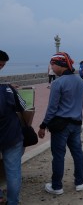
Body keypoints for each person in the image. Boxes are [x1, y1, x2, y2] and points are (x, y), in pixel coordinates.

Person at [37, 52, 83, 195]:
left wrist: (43, 125)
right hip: (76, 123)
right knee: (77, 153)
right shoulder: (80, 81)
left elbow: (52, 108)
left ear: (61, 65)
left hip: (61, 125)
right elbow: (80, 104)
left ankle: (57, 186)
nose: (51, 67)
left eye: (53, 64)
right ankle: (80, 182)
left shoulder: (58, 83)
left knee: (58, 155)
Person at [0, 50, 25, 205]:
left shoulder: (5, 88)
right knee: (13, 171)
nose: (2, 68)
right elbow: (23, 106)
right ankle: (12, 202)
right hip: (11, 135)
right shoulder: (8, 90)